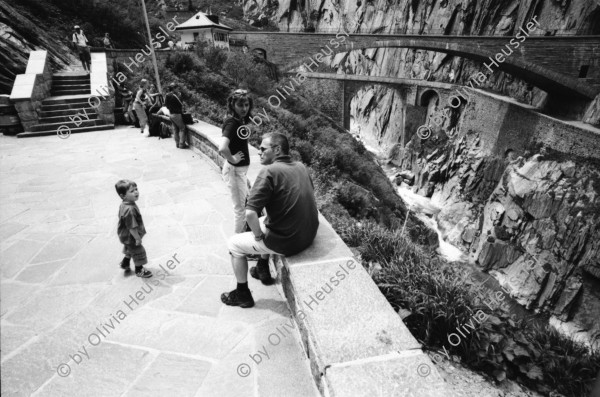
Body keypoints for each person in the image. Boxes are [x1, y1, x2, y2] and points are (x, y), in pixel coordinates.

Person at [221, 133, 320, 308]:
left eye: (262, 149)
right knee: (262, 220)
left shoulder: (269, 171)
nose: (259, 152)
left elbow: (250, 213)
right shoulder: (300, 166)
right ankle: (262, 267)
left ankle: (242, 294)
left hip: (288, 241)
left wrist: (258, 236)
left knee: (234, 244)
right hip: (308, 234)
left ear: (277, 150)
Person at [218, 89, 252, 234]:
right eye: (240, 105)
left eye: (246, 105)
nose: (244, 108)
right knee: (240, 210)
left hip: (239, 171)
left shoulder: (238, 120)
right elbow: (222, 147)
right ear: (232, 105)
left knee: (242, 207)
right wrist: (232, 158)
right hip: (235, 170)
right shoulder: (232, 123)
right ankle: (238, 248)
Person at [115, 180, 152, 278]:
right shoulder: (130, 209)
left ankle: (125, 263)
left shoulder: (125, 203)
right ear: (123, 196)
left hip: (125, 235)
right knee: (138, 251)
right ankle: (139, 270)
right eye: (132, 191)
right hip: (131, 236)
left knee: (130, 249)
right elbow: (132, 227)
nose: (136, 192)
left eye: (136, 189)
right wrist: (137, 238)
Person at [165, 83, 187, 149]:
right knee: (182, 128)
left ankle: (177, 143)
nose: (178, 89)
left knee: (175, 129)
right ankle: (181, 144)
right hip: (177, 114)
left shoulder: (167, 95)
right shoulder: (175, 96)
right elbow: (181, 104)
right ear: (174, 88)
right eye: (177, 88)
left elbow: (166, 105)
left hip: (171, 114)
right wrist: (180, 96)